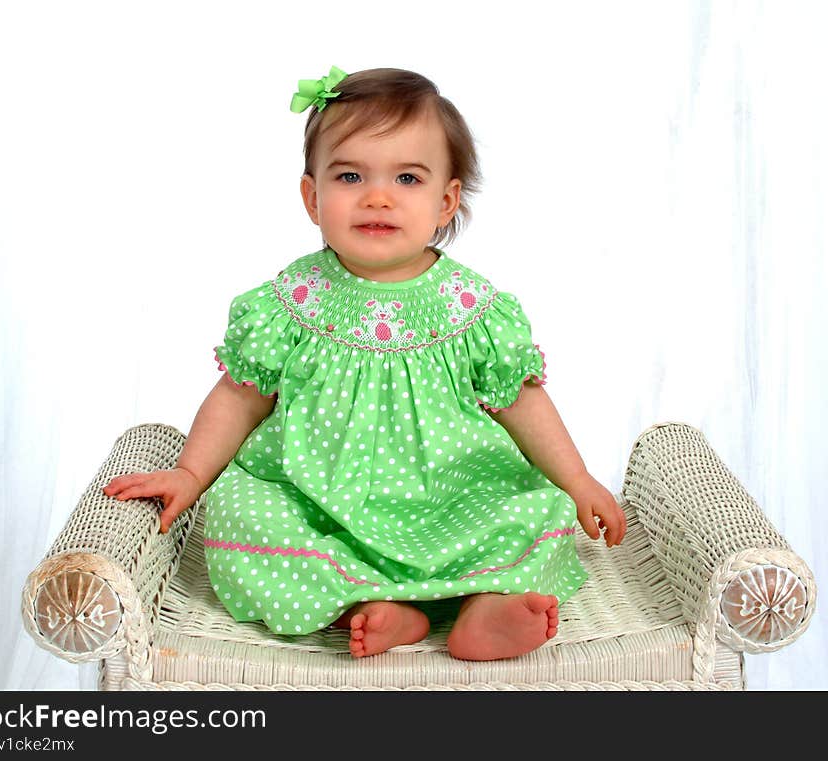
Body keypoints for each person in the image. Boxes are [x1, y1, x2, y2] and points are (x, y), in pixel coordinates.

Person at [103, 66, 627, 661]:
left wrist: (578, 479)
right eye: (350, 175)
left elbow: (522, 400)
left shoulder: (473, 308)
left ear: (445, 202)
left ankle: (487, 606)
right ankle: (372, 607)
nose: (377, 196)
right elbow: (238, 396)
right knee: (235, 512)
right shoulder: (290, 302)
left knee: (540, 506)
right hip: (316, 498)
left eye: (407, 177)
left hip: (451, 496)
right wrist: (191, 475)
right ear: (312, 197)